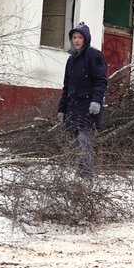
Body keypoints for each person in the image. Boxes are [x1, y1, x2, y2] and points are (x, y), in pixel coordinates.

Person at [57, 22, 108, 178]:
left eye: (80, 37)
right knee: (76, 142)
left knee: (83, 139)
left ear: (86, 39)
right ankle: (81, 172)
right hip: (73, 106)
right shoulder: (71, 60)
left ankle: (86, 174)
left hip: (87, 106)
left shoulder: (94, 55)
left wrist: (96, 101)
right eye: (74, 37)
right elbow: (67, 87)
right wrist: (62, 108)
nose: (77, 40)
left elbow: (101, 81)